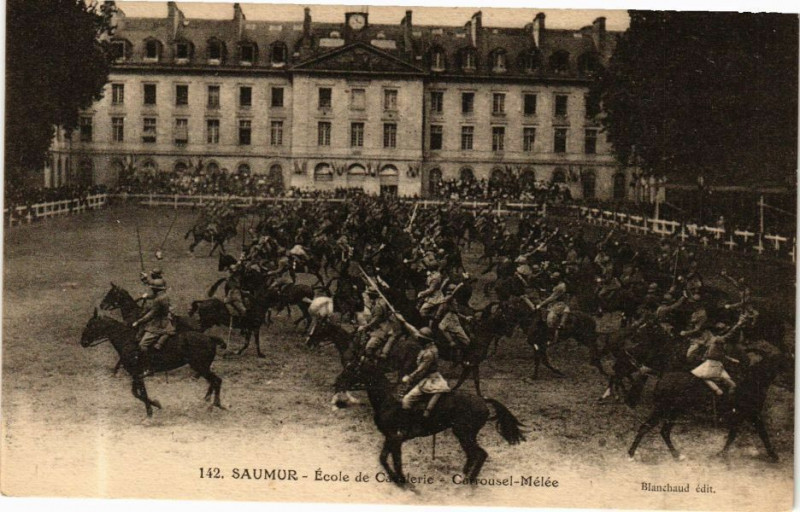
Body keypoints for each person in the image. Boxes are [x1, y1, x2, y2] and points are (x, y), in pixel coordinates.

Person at [398, 323, 451, 436]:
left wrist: (409, 377)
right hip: (433, 376)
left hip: (429, 380)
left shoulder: (428, 353)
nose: (418, 340)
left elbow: (421, 370)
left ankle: (405, 428)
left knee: (407, 399)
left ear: (425, 341)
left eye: (421, 339)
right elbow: (413, 330)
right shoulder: (431, 347)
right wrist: (402, 320)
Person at [686, 319, 743, 396]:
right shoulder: (709, 342)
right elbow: (711, 352)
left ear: (708, 332)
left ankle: (719, 390)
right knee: (718, 375)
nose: (703, 336)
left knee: (703, 375)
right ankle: (729, 386)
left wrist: (738, 324)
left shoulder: (717, 339)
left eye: (704, 333)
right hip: (712, 361)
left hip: (713, 362)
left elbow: (729, 335)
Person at [132, 275, 174, 376]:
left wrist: (139, 321)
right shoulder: (164, 295)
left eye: (153, 289)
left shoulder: (158, 300)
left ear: (155, 289)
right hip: (167, 322)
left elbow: (151, 314)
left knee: (143, 344)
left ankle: (149, 367)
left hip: (159, 325)